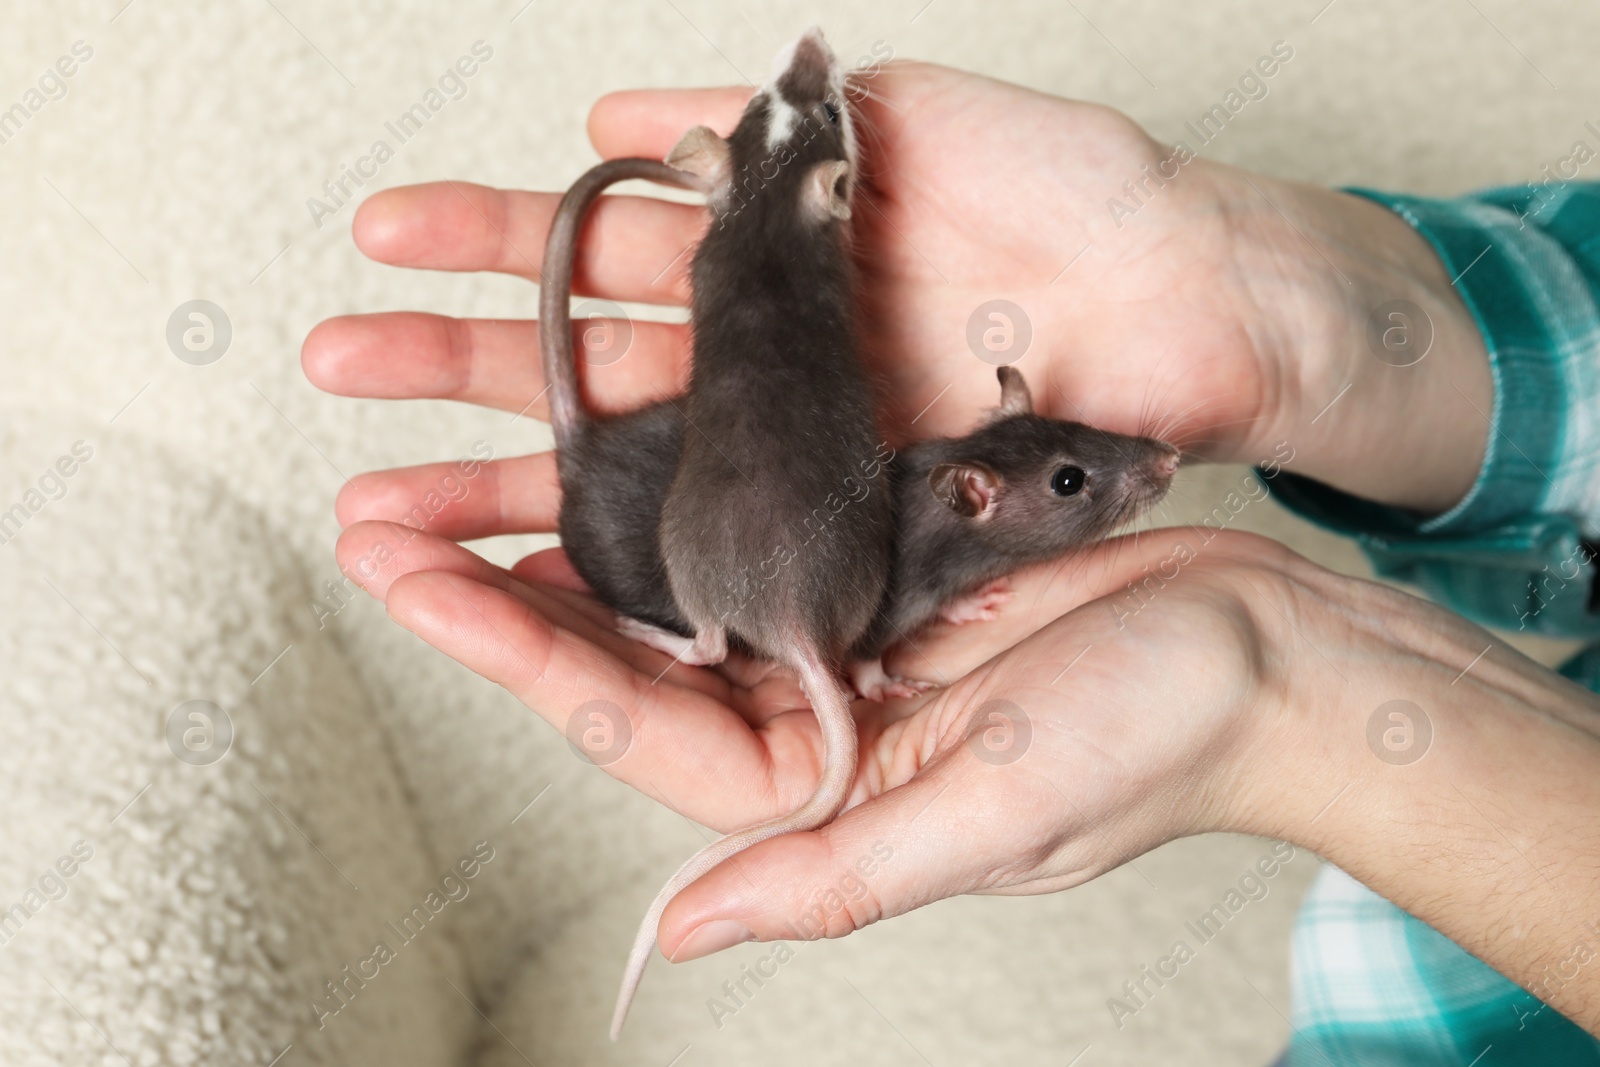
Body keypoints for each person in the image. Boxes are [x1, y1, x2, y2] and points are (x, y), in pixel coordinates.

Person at [302, 60, 1600, 1063]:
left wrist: (1292, 701)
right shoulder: (905, 501)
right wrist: (1325, 317)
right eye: (1092, 477)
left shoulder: (918, 509)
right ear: (978, 487)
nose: (1150, 467)